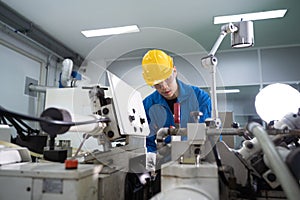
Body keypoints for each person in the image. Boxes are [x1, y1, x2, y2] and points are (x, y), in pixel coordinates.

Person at [141, 49, 212, 153]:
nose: (164, 87)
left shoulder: (200, 98)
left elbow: (210, 137)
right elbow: (147, 143)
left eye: (167, 79)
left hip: (197, 158)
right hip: (163, 163)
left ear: (174, 71)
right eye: (157, 84)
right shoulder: (148, 105)